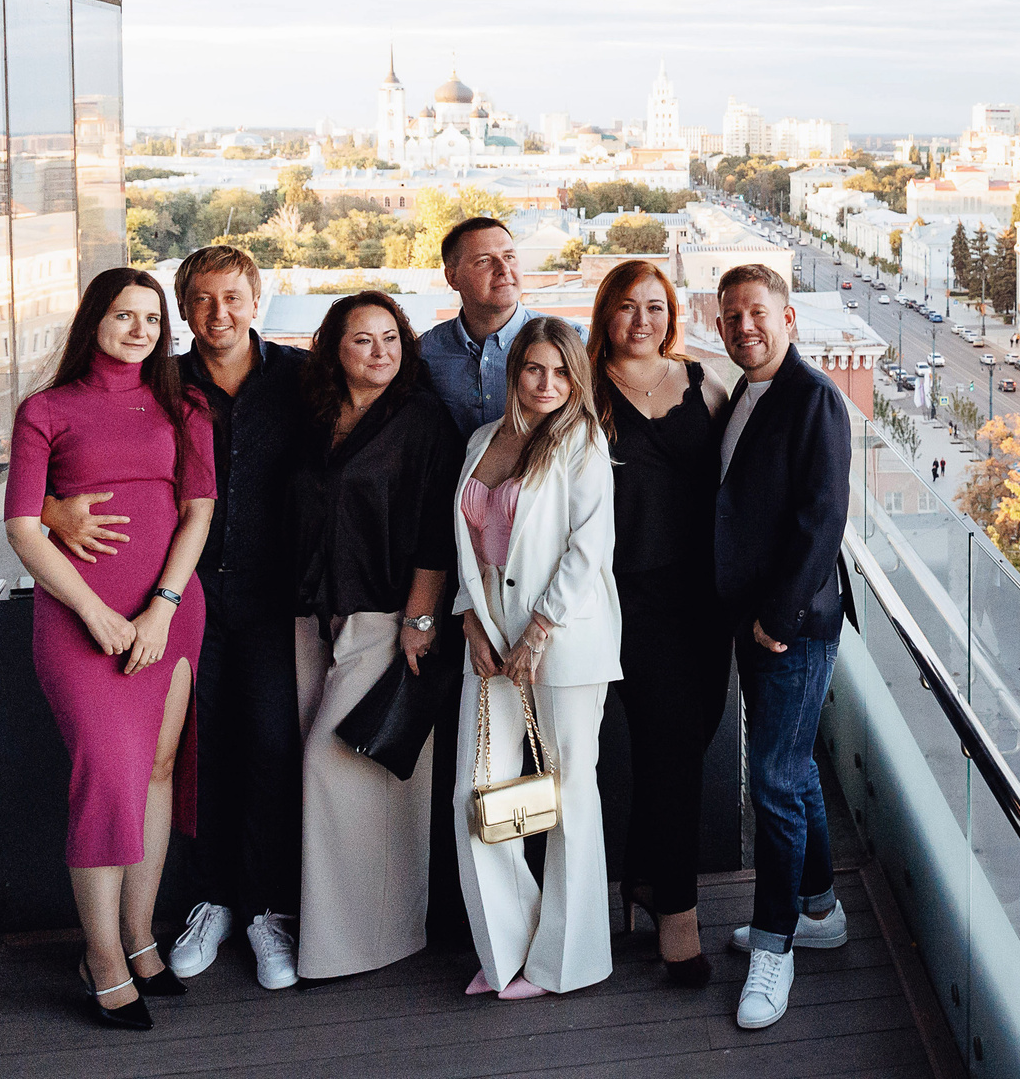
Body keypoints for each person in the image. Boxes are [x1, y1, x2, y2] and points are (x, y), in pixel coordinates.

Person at [52, 247, 312, 989]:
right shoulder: (164, 383)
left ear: (256, 298)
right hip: (181, 599)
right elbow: (73, 447)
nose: (218, 313)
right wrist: (47, 509)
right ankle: (212, 900)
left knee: (266, 743)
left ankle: (265, 908)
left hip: (269, 597)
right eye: (201, 299)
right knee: (193, 754)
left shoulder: (298, 379)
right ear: (183, 308)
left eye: (233, 296)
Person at [4, 270, 216, 1030]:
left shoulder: (183, 405)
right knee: (106, 778)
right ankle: (99, 957)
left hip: (169, 613)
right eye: (124, 314)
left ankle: (139, 935)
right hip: (79, 620)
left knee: (158, 769)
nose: (138, 328)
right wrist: (95, 612)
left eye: (152, 318)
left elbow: (198, 511)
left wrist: (159, 607)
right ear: (94, 317)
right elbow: (25, 527)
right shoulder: (46, 410)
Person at [290, 293, 461, 981]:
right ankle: (357, 931)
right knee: (335, 778)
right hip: (312, 614)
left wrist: (419, 623)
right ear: (335, 347)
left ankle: (361, 939)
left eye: (391, 337)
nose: (380, 351)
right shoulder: (317, 416)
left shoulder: (423, 421)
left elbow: (435, 531)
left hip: (388, 618)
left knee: (337, 764)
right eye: (363, 339)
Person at [450, 317, 622, 998]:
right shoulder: (480, 440)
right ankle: (510, 946)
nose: (547, 384)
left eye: (561, 371)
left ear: (575, 376)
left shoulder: (581, 440)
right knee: (480, 791)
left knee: (570, 795)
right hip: (489, 635)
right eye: (534, 369)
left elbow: (590, 547)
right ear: (514, 370)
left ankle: (568, 963)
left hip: (564, 639)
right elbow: (466, 541)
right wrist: (471, 615)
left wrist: (538, 629)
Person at [712, 266, 852, 1032]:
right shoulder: (745, 392)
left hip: (789, 626)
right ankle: (821, 906)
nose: (743, 327)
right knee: (791, 770)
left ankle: (776, 943)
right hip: (757, 619)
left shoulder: (815, 397)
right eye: (730, 316)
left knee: (771, 778)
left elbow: (822, 519)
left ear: (788, 316)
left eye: (756, 312)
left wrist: (778, 617)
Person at [588, 262, 731, 986]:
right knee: (670, 749)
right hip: (622, 600)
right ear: (605, 314)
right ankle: (678, 914)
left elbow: (748, 481)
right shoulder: (582, 392)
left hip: (704, 600)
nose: (640, 320)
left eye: (654, 306)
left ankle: (644, 876)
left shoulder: (706, 382)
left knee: (686, 739)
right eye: (626, 306)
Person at [419, 216, 539, 436]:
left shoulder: (571, 340)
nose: (504, 269)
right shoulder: (424, 353)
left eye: (509, 256)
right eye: (484, 261)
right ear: (452, 277)